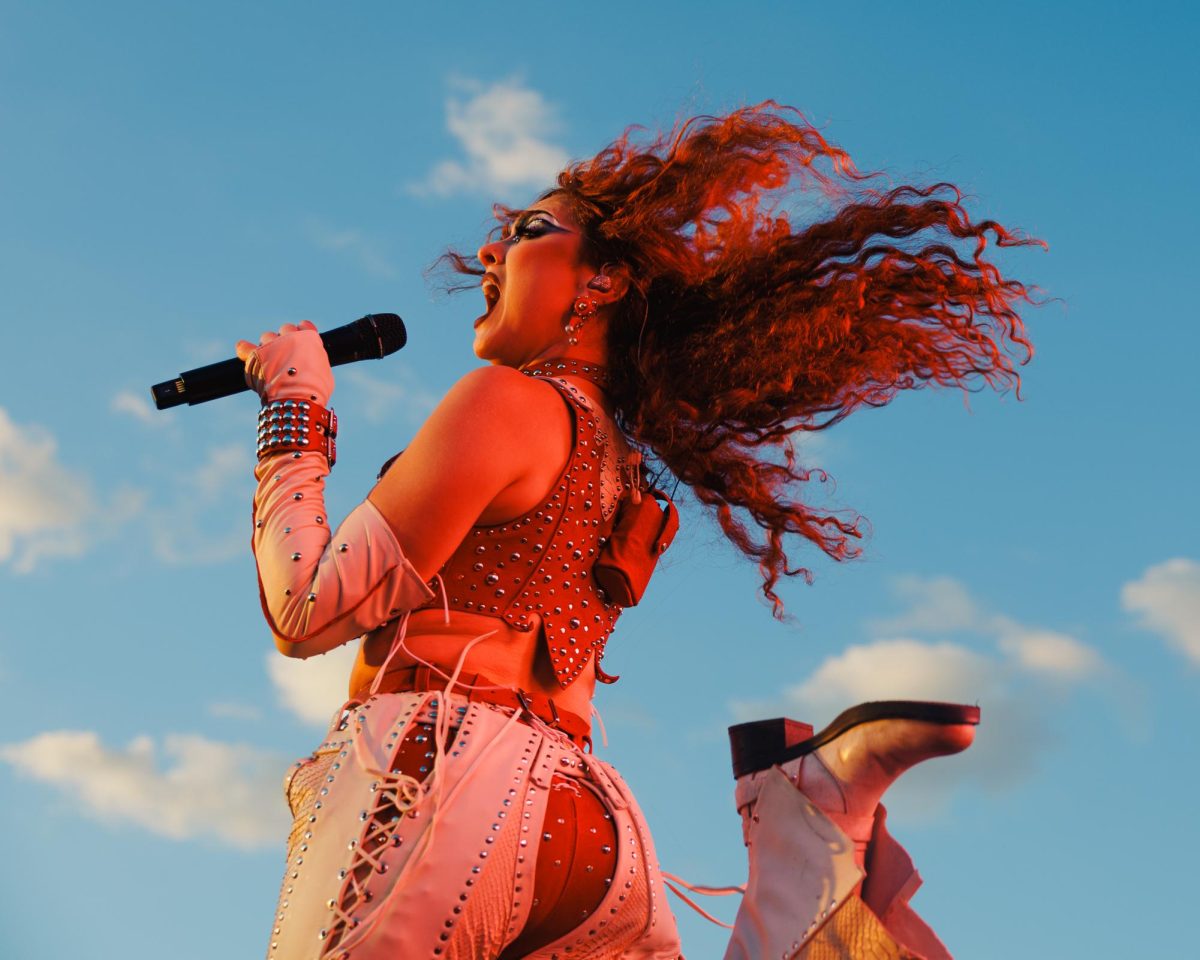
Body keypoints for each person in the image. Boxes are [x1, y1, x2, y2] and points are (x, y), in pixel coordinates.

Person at [236, 102, 1039, 959]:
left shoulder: (506, 401)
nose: (488, 252)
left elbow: (308, 606)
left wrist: (294, 409)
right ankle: (802, 847)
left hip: (438, 784)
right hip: (593, 827)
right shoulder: (617, 466)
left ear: (604, 281)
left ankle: (804, 839)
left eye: (527, 231)